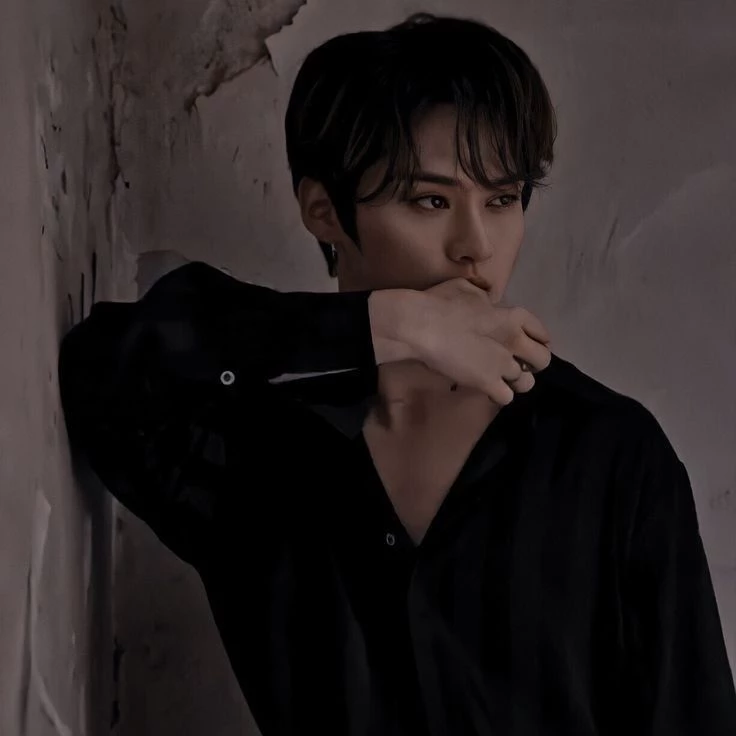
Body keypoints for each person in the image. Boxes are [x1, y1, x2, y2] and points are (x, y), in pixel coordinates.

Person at [58, 12, 736, 736]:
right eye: (430, 201)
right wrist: (395, 326)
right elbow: (106, 369)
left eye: (502, 200)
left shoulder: (611, 456)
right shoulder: (264, 453)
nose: (476, 245)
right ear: (324, 212)